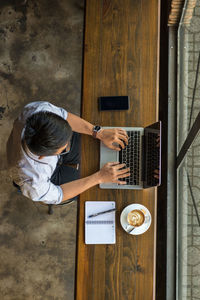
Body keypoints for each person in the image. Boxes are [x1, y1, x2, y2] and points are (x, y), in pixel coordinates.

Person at [7, 101, 130, 205]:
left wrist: (99, 132)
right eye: (63, 148)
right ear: (43, 157)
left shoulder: (40, 110)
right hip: (50, 178)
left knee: (87, 145)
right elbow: (59, 194)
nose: (68, 145)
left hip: (38, 148)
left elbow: (64, 116)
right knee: (87, 184)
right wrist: (99, 177)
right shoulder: (34, 182)